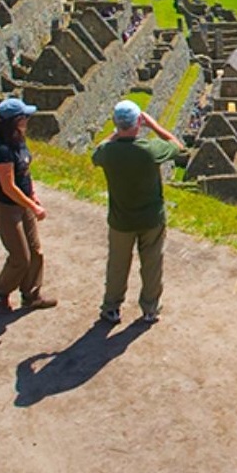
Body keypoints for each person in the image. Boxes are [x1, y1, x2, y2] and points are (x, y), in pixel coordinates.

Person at [92, 99, 185, 326]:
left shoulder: (108, 153)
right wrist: (153, 125)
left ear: (116, 123)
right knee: (152, 266)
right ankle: (150, 309)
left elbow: (97, 151)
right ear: (138, 123)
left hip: (121, 220)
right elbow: (177, 145)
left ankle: (112, 308)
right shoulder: (150, 150)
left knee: (117, 265)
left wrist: (117, 133)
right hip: (151, 219)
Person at [0, 98, 56, 313]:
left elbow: (25, 172)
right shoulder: (2, 149)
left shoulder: (18, 140)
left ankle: (31, 295)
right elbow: (8, 187)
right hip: (7, 208)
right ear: (14, 121)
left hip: (24, 203)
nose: (28, 119)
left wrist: (32, 194)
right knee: (20, 258)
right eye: (24, 116)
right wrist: (33, 207)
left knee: (36, 253)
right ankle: (1, 291)